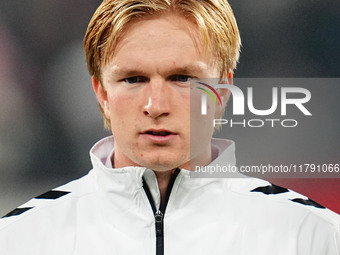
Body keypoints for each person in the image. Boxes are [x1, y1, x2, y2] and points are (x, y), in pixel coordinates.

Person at [0, 0, 339, 254]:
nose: (156, 105)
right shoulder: (21, 239)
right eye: (133, 79)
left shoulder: (313, 236)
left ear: (221, 93)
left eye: (182, 78)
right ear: (101, 92)